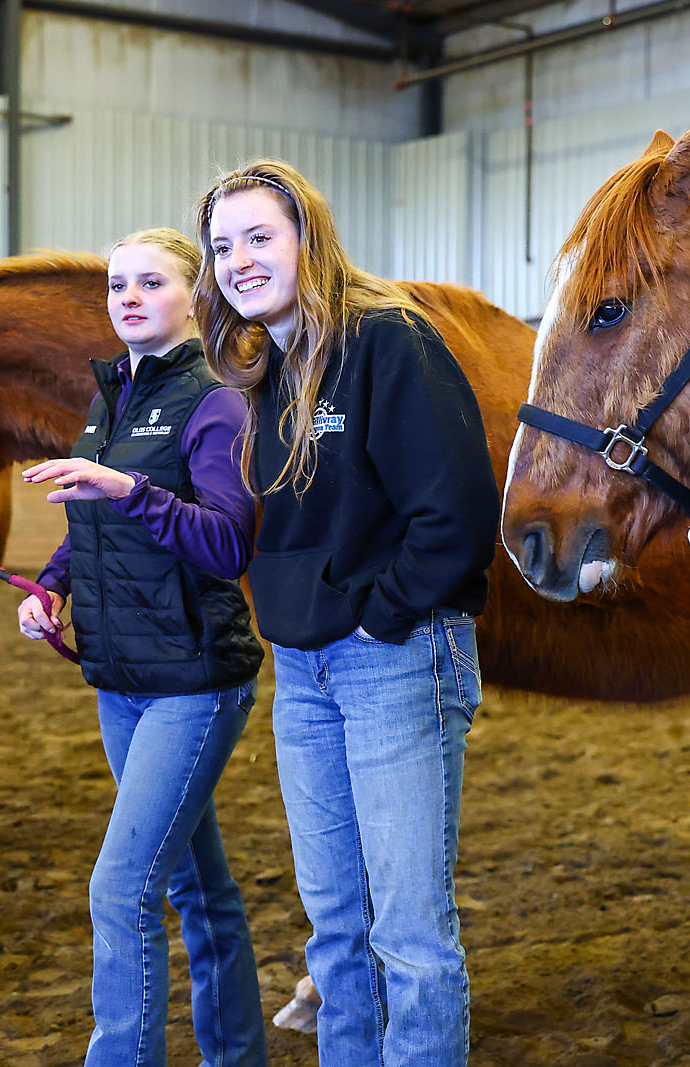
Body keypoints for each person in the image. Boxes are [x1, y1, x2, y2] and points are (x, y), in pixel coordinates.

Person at [195, 159, 498, 1066]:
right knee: (334, 930)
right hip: (307, 666)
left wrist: (381, 615)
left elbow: (459, 513)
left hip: (394, 656)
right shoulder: (272, 367)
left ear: (306, 240)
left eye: (259, 237)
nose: (239, 261)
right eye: (222, 246)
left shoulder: (387, 339)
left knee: (410, 934)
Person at [18, 227, 266, 1066]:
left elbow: (229, 545)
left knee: (121, 888)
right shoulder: (112, 396)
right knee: (200, 889)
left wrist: (132, 487)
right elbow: (94, 513)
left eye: (149, 282)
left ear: (194, 298)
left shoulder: (217, 400)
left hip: (192, 683)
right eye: (118, 284)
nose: (127, 296)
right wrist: (52, 583)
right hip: (120, 678)